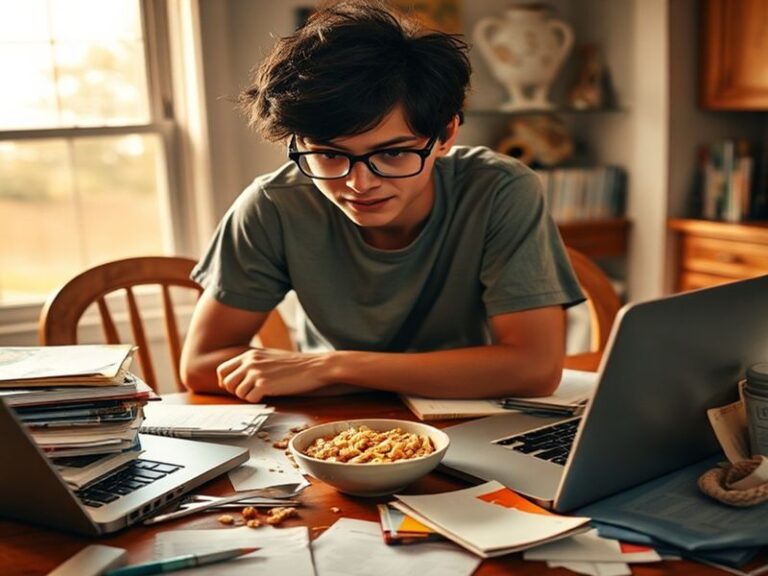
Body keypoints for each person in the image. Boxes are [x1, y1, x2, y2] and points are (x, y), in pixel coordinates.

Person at [180, 0, 584, 403]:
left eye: (392, 153)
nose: (359, 183)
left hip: (470, 413)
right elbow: (201, 363)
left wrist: (329, 367)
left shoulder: (498, 189)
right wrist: (369, 375)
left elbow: (534, 369)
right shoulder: (273, 205)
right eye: (330, 154)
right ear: (297, 143)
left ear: (444, 136)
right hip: (334, 423)